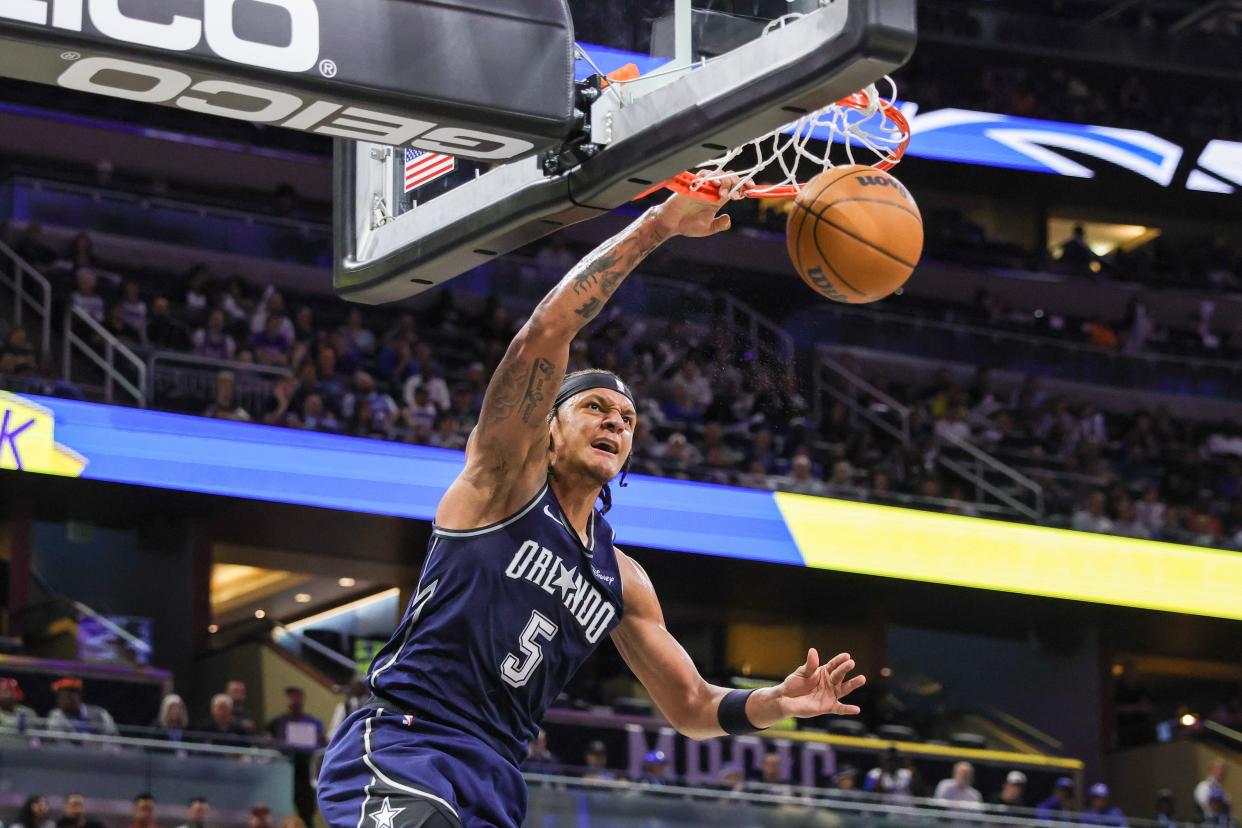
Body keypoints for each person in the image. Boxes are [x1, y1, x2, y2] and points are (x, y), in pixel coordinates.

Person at [317, 181, 866, 828]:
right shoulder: (501, 484)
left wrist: (778, 702)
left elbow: (690, 704)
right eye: (595, 408)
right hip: (408, 744)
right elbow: (550, 327)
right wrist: (658, 226)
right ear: (546, 428)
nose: (614, 422)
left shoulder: (622, 579)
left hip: (494, 775)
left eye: (627, 418)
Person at [44, 677, 119, 736]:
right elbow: (56, 740)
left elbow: (112, 736)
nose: (62, 701)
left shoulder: (100, 713)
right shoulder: (56, 715)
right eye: (60, 697)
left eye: (68, 696)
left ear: (78, 696)